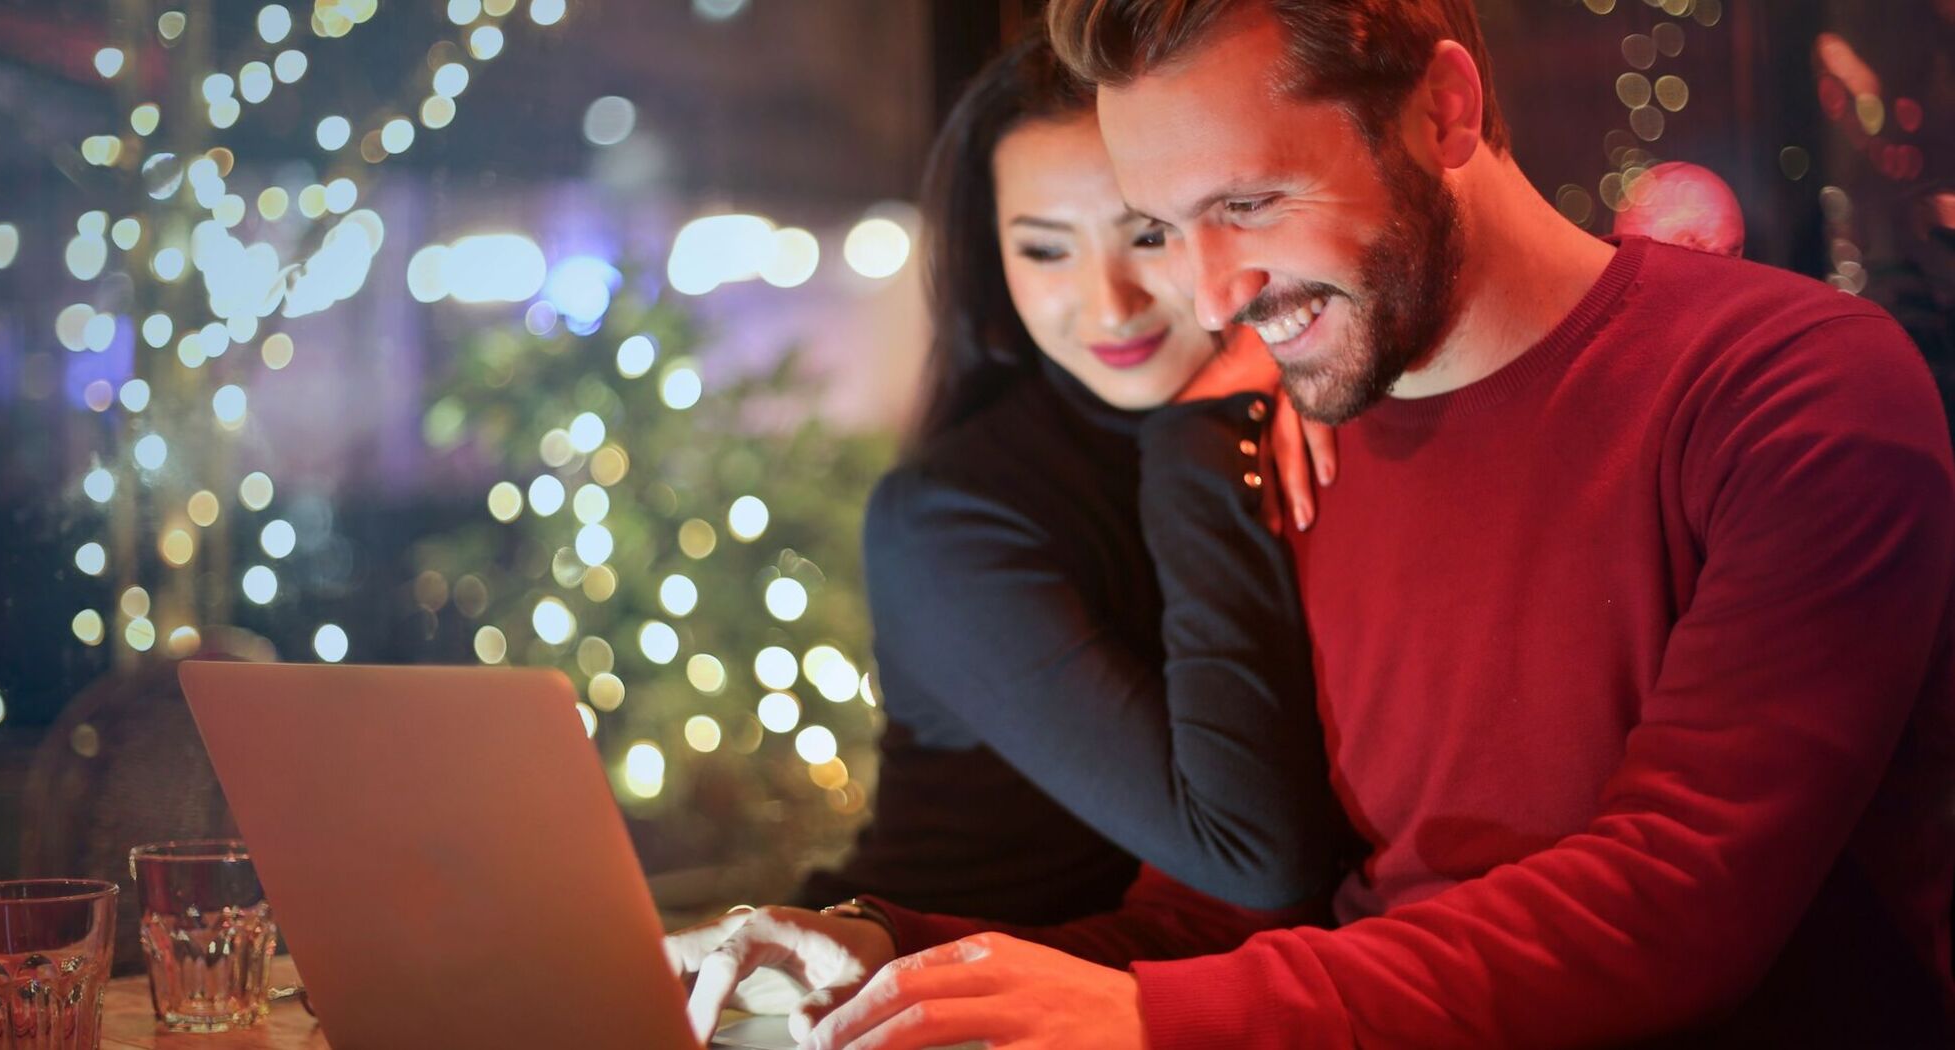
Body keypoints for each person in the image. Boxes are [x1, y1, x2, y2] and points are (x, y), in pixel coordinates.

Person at [685, 2, 1955, 1047]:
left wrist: (1151, 1018)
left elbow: (1681, 897)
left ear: (1444, 112)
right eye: (1165, 226)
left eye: (1246, 204)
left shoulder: (1791, 387)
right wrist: (887, 955)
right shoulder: (1301, 436)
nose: (1206, 292)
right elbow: (1228, 922)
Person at [666, 32, 1354, 1042]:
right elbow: (1254, 854)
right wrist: (1206, 430)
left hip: (1106, 1001)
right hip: (898, 1005)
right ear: (994, 259)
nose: (1107, 302)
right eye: (1044, 248)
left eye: (1146, 236)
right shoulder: (953, 517)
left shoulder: (1298, 421)